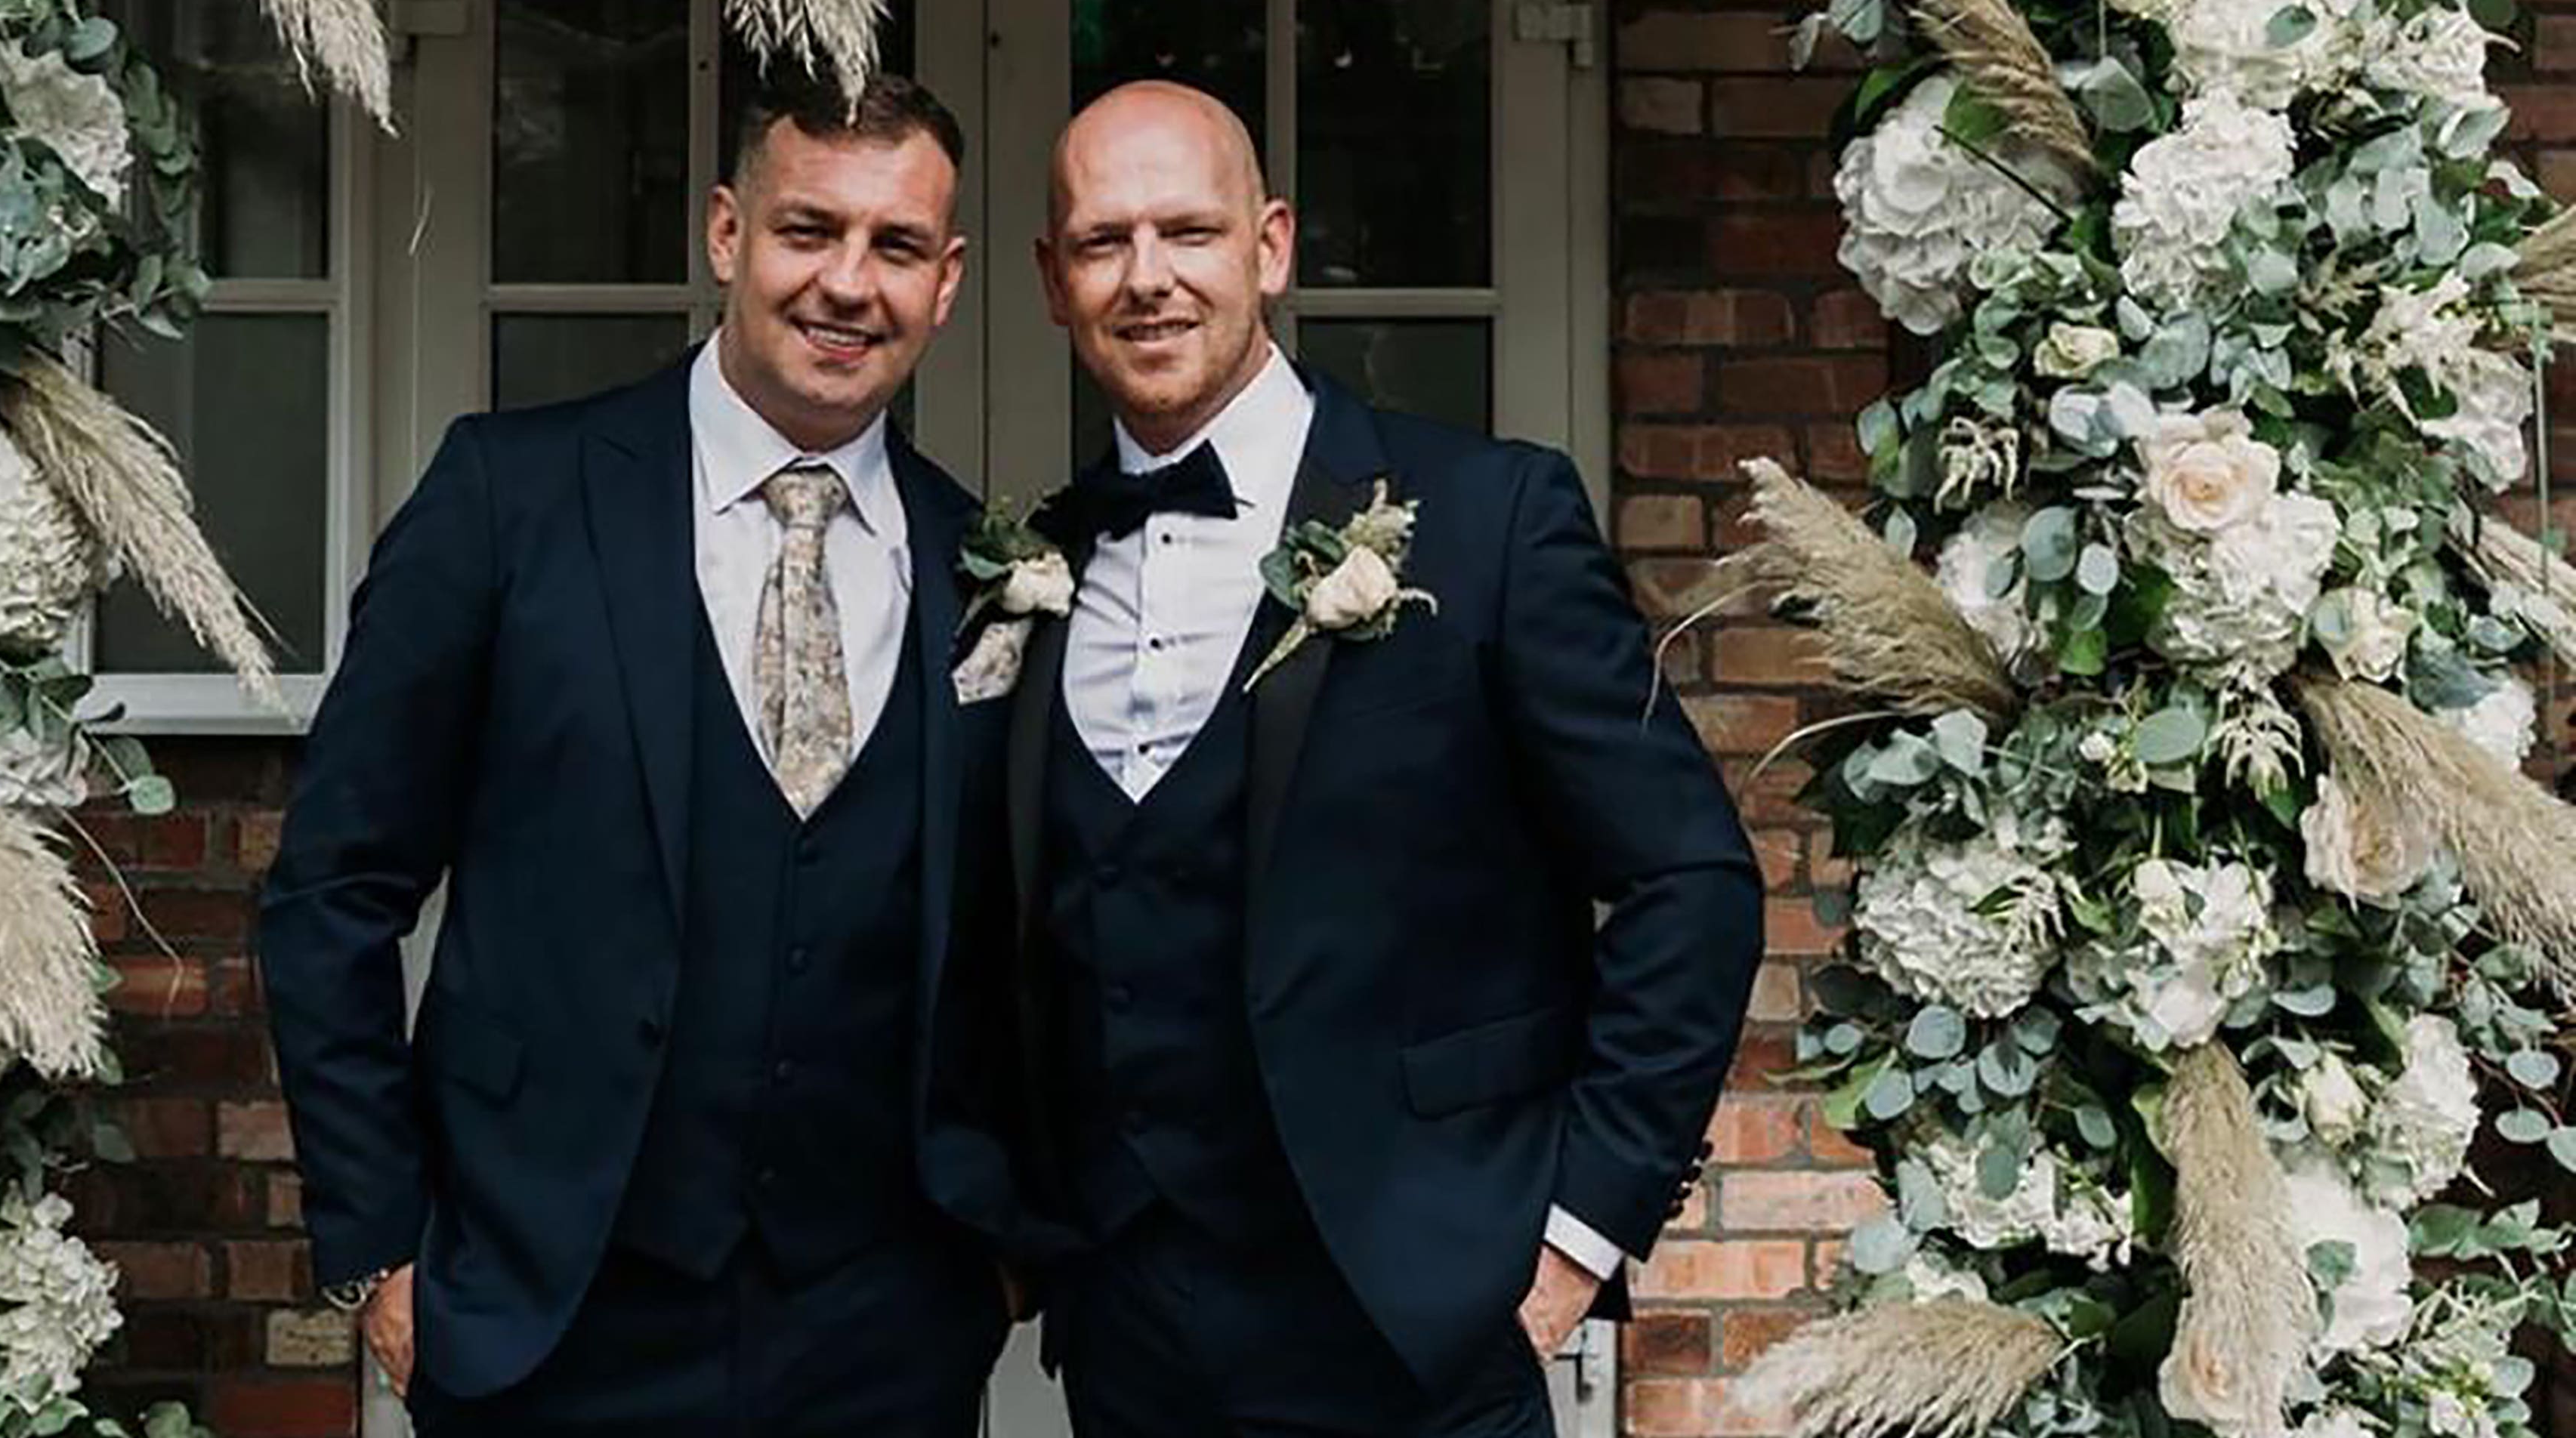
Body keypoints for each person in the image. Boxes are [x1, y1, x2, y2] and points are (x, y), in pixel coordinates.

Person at [257, 73, 1021, 1436]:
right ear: (726, 234)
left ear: (947, 280)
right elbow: (334, 891)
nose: (848, 284)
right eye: (808, 231)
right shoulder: (509, 498)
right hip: (551, 1308)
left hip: (884, 1333)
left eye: (895, 247)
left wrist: (1008, 1226)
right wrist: (379, 1242)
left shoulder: (990, 566)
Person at [1006, 79, 1765, 1438]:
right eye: (1104, 242)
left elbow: (1690, 882)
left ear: (1272, 249)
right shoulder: (1034, 566)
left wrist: (1580, 1235)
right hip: (1131, 1334)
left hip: (1420, 1324)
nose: (1149, 278)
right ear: (1053, 282)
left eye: (1189, 231)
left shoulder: (1488, 518)